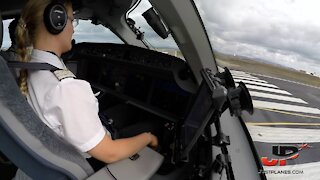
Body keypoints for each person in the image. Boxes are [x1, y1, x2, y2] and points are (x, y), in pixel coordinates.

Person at [16, 0, 158, 171]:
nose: (73, 28)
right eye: (71, 20)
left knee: (126, 110)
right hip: (94, 158)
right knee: (149, 123)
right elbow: (110, 153)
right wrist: (148, 138)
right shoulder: (65, 88)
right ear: (56, 21)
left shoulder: (28, 66)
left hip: (60, 148)